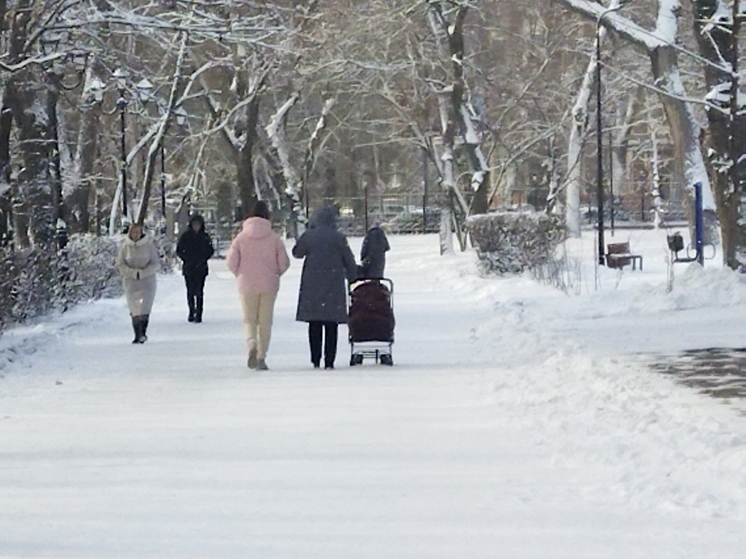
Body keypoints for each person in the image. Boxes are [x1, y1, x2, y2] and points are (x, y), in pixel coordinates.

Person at [293, 204, 358, 369]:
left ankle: (315, 358)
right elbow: (348, 259)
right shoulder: (338, 237)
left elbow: (297, 253)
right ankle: (330, 360)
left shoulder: (309, 236)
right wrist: (352, 277)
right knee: (331, 323)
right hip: (333, 283)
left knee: (314, 323)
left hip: (312, 284)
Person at [226, 201, 290, 370]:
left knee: (249, 320)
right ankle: (261, 356)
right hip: (269, 285)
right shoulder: (274, 238)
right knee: (265, 322)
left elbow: (231, 262)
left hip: (246, 284)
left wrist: (240, 273)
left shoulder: (240, 238)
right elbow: (284, 263)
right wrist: (275, 273)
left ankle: (251, 342)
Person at [116, 223, 160, 344]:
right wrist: (132, 273)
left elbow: (155, 263)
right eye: (133, 232)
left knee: (145, 306)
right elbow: (120, 263)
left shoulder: (149, 245)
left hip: (147, 280)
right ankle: (137, 333)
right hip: (130, 281)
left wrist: (143, 273)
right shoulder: (125, 246)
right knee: (134, 307)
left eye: (137, 232)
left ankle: (143, 332)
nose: (135, 235)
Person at [176, 214, 215, 323]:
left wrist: (203, 258)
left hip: (201, 267)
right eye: (194, 224)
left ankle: (199, 313)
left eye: (198, 224)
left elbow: (210, 250)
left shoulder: (205, 237)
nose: (196, 226)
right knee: (190, 290)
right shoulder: (185, 237)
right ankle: (191, 310)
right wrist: (186, 259)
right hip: (189, 267)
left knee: (199, 291)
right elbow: (179, 250)